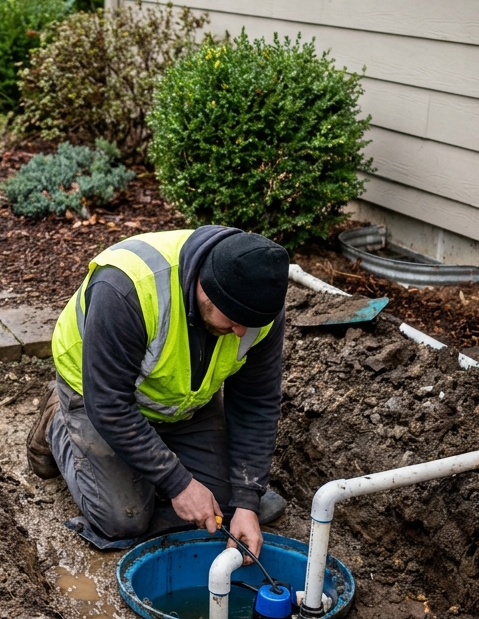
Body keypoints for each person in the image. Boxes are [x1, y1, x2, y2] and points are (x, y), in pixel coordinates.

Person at [26, 227, 290, 560]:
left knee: (221, 507)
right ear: (206, 286)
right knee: (122, 521)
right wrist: (177, 482)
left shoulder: (257, 308)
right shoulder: (126, 288)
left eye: (250, 324)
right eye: (234, 319)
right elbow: (109, 403)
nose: (241, 332)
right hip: (98, 395)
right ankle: (58, 423)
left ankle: (148, 460)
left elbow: (256, 403)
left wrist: (248, 502)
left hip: (181, 403)